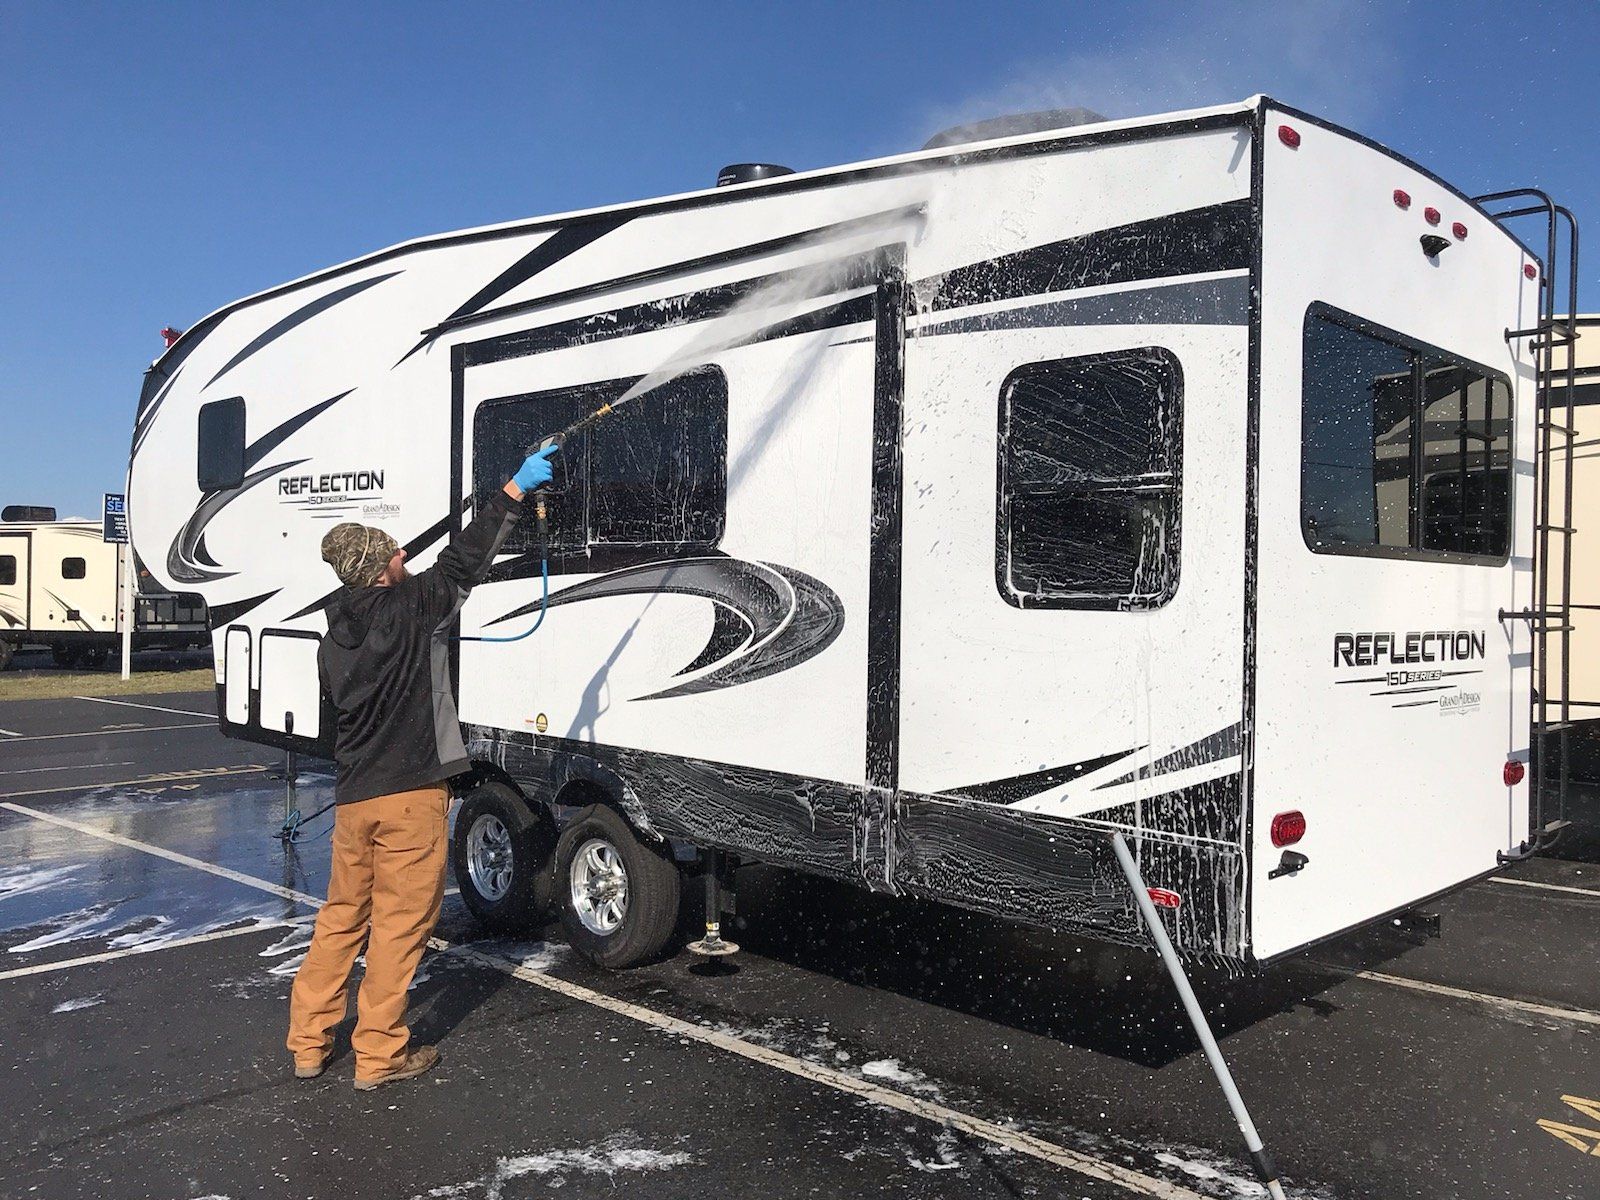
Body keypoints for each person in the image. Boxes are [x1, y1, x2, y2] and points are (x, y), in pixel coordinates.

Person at [287, 444, 559, 1090]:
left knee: (341, 920)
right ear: (379, 570)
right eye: (396, 554)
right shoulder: (410, 610)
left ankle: (308, 1043)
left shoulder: (333, 640)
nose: (405, 558)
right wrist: (514, 491)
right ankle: (379, 1056)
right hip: (409, 797)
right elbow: (465, 559)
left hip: (356, 799)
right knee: (399, 931)